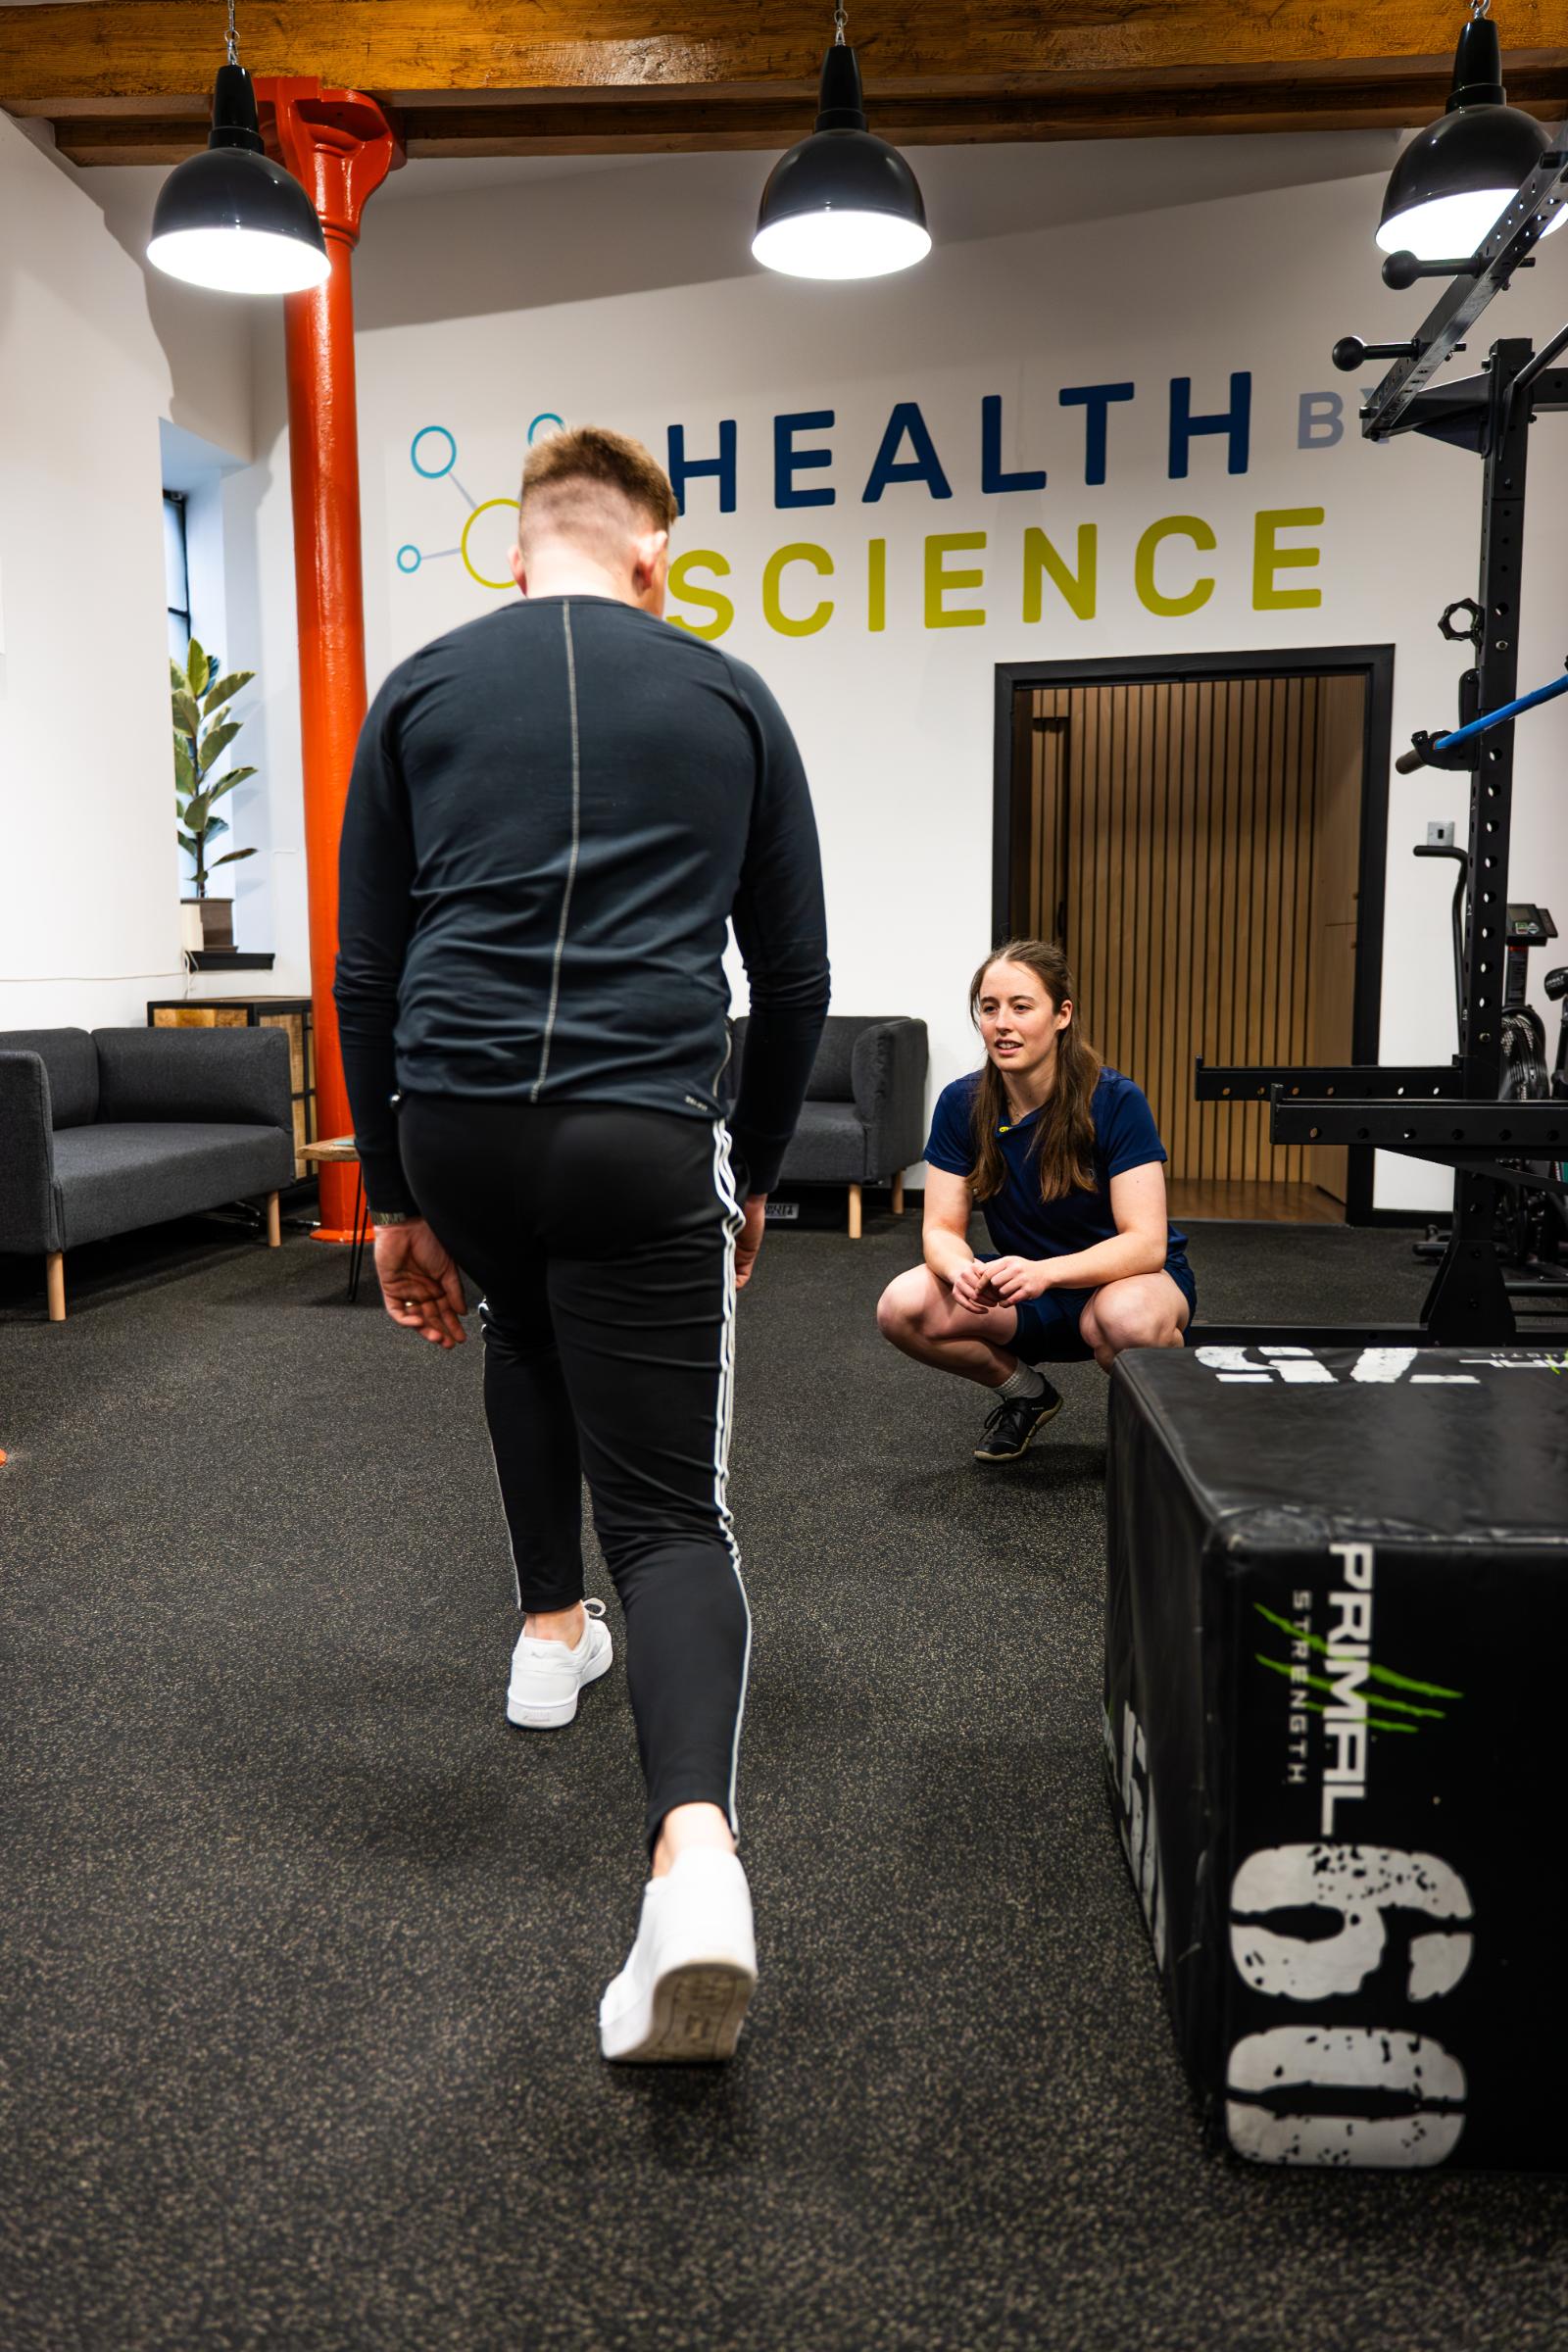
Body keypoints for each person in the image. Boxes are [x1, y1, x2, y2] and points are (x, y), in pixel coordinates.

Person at [333, 425, 829, 2062]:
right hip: (639, 1129)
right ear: (649, 557)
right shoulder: (729, 694)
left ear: (515, 546)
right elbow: (796, 980)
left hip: (458, 1120)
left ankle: (551, 1639)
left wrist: (398, 1200)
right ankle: (695, 1864)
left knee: (527, 1336)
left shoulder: (414, 691)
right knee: (677, 1517)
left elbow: (366, 975)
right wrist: (748, 1169)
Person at [876, 939, 1194, 1460]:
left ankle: (1162, 1424)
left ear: (1061, 1014)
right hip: (1027, 1285)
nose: (1003, 1023)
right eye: (989, 1007)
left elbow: (1146, 1245)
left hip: (1123, 1283)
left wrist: (1046, 1272)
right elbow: (939, 1230)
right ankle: (1027, 1395)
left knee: (1125, 1320)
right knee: (902, 1308)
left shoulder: (1114, 1100)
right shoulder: (962, 1103)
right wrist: (962, 1272)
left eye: (1022, 1007)